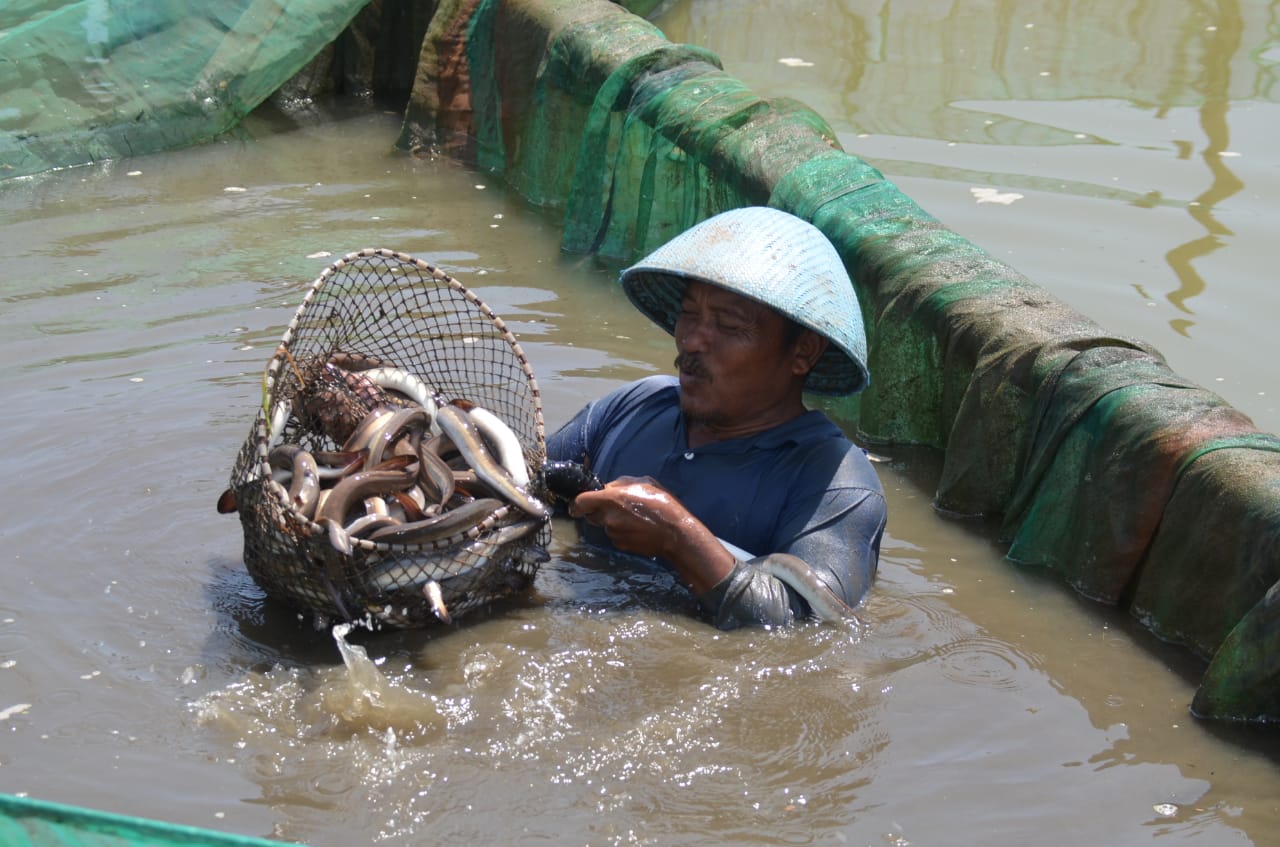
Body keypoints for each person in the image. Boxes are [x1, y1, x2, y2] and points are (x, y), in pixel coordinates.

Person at [545, 206, 886, 629]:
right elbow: (524, 478)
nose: (691, 340)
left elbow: (814, 629)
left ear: (803, 352)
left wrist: (677, 537)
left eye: (728, 325)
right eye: (689, 314)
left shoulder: (834, 481)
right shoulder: (634, 407)